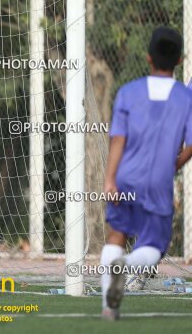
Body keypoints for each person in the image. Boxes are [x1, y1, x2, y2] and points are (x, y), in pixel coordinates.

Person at [101, 26, 192, 321]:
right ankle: (128, 268)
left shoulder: (128, 93)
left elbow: (118, 140)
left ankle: (109, 308)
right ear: (180, 60)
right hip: (157, 181)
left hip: (125, 175)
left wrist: (110, 179)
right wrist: (172, 167)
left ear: (148, 58)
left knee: (117, 234)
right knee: (154, 246)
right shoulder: (185, 98)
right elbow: (190, 144)